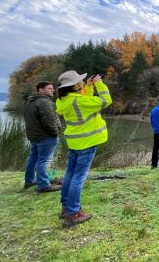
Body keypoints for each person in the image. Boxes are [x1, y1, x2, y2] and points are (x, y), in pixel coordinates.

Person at [56, 71, 112, 228]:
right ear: (74, 85)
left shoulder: (63, 101)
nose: (81, 82)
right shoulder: (78, 102)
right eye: (79, 81)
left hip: (74, 142)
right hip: (86, 143)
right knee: (78, 178)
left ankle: (66, 207)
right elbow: (105, 100)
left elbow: (83, 100)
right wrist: (99, 84)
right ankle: (73, 214)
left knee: (70, 174)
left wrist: (88, 86)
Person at [23, 81, 62, 192]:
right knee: (44, 161)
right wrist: (56, 133)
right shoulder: (44, 102)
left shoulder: (30, 102)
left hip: (34, 137)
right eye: (50, 88)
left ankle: (29, 181)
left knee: (33, 158)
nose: (53, 90)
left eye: (52, 88)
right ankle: (44, 185)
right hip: (46, 137)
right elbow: (49, 121)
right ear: (41, 90)